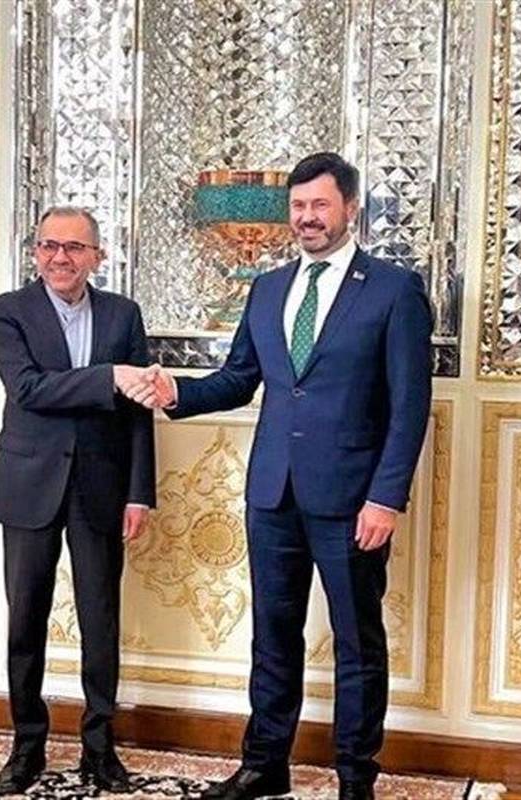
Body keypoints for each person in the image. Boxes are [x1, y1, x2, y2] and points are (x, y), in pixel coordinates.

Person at [132, 153, 432, 800]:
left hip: (352, 500)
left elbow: (410, 406)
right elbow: (240, 379)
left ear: (350, 209)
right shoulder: (268, 288)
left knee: (357, 643)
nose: (307, 218)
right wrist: (176, 392)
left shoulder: (393, 290)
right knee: (272, 635)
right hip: (272, 494)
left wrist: (385, 498)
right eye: (298, 206)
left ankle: (355, 778)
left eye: (320, 205)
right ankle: (265, 764)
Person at [0, 205, 160, 795]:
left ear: (96, 257)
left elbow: (139, 414)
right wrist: (109, 376)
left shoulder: (123, 314)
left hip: (101, 488)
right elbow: (28, 388)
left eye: (75, 247)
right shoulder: (9, 311)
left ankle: (100, 748)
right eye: (49, 246)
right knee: (25, 620)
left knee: (100, 619)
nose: (60, 257)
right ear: (35, 252)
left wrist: (139, 492)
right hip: (28, 485)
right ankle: (26, 747)